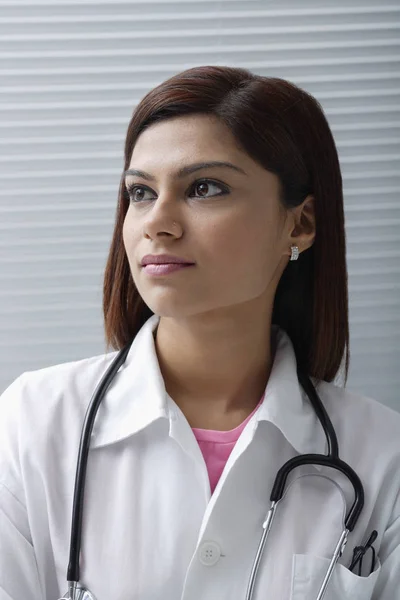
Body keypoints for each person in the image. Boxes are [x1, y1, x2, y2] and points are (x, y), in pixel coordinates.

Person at [0, 65, 399, 600]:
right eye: (139, 192)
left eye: (204, 188)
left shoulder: (383, 457)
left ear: (299, 223)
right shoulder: (30, 424)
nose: (156, 223)